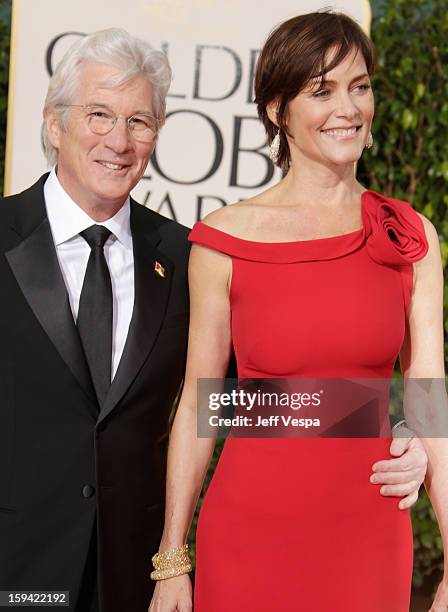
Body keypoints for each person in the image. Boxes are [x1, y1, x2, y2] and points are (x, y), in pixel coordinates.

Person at [149, 11, 447, 612]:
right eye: (322, 90)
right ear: (277, 110)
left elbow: (427, 392)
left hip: (368, 532)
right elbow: (202, 403)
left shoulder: (410, 234)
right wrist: (172, 559)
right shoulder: (223, 240)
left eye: (359, 86)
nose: (348, 107)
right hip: (248, 532)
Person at [0, 29, 190, 612]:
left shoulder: (185, 258)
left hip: (133, 583)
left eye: (140, 121)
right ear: (55, 125)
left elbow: (232, 396)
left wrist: (390, 425)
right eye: (99, 114)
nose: (119, 140)